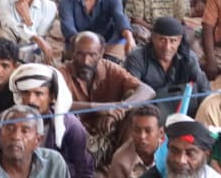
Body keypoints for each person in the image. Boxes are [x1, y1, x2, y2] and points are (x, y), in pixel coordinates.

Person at [59, 31, 156, 163]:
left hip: (109, 133)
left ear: (101, 53)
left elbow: (147, 91)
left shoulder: (110, 68)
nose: (86, 61)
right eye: (80, 54)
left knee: (138, 107)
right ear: (72, 53)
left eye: (92, 55)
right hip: (76, 138)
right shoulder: (61, 73)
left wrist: (118, 110)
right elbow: (52, 104)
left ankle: (122, 162)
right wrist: (98, 108)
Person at [8, 63, 95, 178]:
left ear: (52, 96)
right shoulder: (6, 124)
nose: (30, 100)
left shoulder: (71, 127)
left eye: (38, 94)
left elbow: (83, 173)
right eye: (25, 93)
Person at [125, 17, 210, 120]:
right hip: (150, 115)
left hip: (184, 115)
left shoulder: (188, 58)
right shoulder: (137, 58)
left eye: (173, 41)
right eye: (162, 39)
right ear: (153, 38)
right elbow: (131, 93)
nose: (167, 47)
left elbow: (203, 89)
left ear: (179, 41)